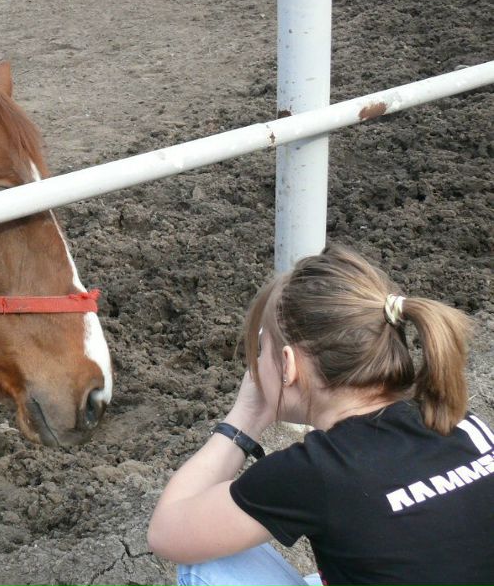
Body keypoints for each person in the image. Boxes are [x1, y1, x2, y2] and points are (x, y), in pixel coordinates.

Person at [147, 244, 494, 586]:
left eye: (261, 349)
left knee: (211, 564)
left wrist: (245, 417)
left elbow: (167, 531)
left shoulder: (316, 469)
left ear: (287, 365)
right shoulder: (460, 421)